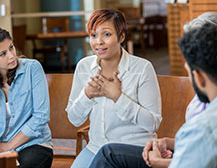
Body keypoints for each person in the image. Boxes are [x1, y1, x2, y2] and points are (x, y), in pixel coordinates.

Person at [88, 12, 217, 168]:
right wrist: (168, 142)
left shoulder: (204, 127)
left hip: (177, 160)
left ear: (199, 77)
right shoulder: (202, 110)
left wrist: (161, 163)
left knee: (108, 155)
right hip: (179, 151)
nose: (99, 42)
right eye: (93, 35)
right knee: (108, 153)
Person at [65, 9, 162, 168]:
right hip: (95, 148)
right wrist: (87, 95)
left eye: (107, 34)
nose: (99, 42)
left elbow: (153, 123)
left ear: (121, 36)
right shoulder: (84, 67)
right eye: (93, 35)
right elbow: (74, 119)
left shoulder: (142, 68)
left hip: (134, 150)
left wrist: (118, 97)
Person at [0, 26, 53, 167]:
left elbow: (41, 116)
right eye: (2, 54)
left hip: (34, 143)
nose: (12, 55)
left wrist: (9, 146)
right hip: (0, 146)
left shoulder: (32, 68)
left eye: (11, 47)